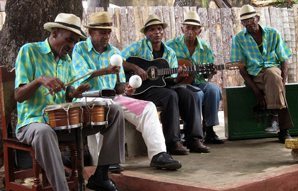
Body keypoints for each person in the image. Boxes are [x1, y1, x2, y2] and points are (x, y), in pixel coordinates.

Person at [14, 13, 127, 191]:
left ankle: (102, 174)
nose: (73, 45)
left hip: (61, 121)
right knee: (44, 132)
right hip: (33, 122)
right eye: (70, 39)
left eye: (75, 41)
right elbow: (18, 96)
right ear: (54, 32)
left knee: (114, 111)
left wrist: (75, 93)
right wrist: (39, 80)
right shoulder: (29, 51)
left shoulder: (66, 61)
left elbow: (65, 97)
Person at [72, 12, 181, 170]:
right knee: (107, 108)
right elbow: (81, 76)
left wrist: (126, 88)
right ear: (91, 33)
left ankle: (158, 154)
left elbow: (119, 85)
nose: (106, 36)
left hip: (114, 98)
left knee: (148, 107)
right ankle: (106, 162)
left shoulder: (114, 51)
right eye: (102, 32)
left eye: (108, 32)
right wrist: (106, 70)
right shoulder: (79, 49)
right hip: (88, 98)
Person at [122, 14, 210, 154]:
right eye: (152, 30)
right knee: (170, 95)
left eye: (159, 29)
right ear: (146, 33)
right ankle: (173, 142)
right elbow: (119, 61)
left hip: (163, 86)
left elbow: (171, 79)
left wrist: (179, 76)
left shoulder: (169, 52)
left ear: (163, 32)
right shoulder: (137, 47)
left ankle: (194, 139)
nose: (157, 32)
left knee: (190, 94)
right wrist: (136, 68)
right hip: (143, 89)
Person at [230, 4, 294, 143]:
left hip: (273, 70)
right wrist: (256, 92)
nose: (248, 23)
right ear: (241, 23)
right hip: (255, 75)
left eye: (251, 19)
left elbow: (284, 59)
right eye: (245, 21)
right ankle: (283, 130)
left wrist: (283, 82)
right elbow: (241, 68)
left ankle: (273, 116)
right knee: (274, 80)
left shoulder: (273, 33)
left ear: (257, 18)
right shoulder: (238, 39)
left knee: (273, 75)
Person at [166, 11, 224, 144]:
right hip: (178, 84)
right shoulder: (170, 46)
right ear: (182, 29)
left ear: (200, 31)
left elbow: (206, 76)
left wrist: (210, 73)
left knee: (213, 90)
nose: (190, 31)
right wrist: (177, 74)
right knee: (196, 95)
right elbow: (164, 67)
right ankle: (190, 132)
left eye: (194, 28)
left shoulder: (205, 48)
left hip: (197, 82)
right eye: (187, 27)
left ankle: (209, 130)